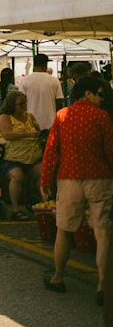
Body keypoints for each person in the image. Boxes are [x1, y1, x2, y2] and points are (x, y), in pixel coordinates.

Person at [39, 75, 113, 300]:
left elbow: (51, 150)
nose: (102, 98)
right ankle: (102, 285)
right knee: (102, 234)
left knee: (64, 230)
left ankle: (58, 277)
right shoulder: (102, 117)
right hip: (99, 179)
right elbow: (110, 150)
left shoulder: (62, 116)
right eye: (99, 94)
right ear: (87, 94)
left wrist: (45, 180)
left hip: (69, 179)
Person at [0, 89, 43, 220]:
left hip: (32, 158)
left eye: (24, 103)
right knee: (17, 175)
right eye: (20, 104)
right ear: (12, 105)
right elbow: (7, 134)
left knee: (43, 174)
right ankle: (15, 209)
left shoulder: (30, 116)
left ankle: (45, 206)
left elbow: (39, 132)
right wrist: (27, 134)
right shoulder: (5, 118)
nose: (24, 106)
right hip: (11, 159)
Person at [20, 53, 64, 131]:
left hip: (30, 124)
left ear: (34, 65)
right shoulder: (54, 80)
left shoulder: (24, 81)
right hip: (50, 123)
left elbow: (21, 102)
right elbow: (59, 102)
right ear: (45, 65)